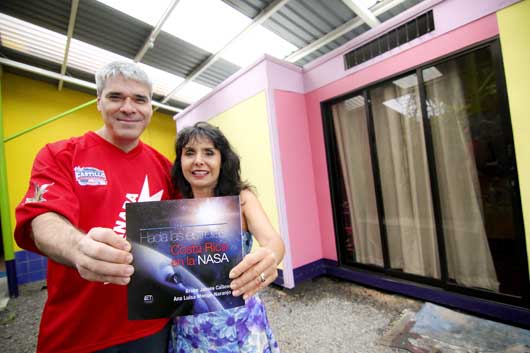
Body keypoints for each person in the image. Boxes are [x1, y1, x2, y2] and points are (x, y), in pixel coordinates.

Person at [14, 61, 175, 353]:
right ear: (99, 102)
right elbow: (42, 219)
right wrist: (78, 248)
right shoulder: (60, 155)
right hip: (77, 333)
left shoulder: (164, 166)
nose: (129, 107)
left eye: (140, 99)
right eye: (116, 97)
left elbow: (199, 218)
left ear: (151, 107)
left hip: (151, 327)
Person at [169, 121, 284, 352]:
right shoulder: (174, 208)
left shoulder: (241, 199)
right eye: (189, 153)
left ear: (222, 160)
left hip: (237, 323)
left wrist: (267, 260)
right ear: (180, 161)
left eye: (209, 153)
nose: (198, 160)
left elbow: (274, 242)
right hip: (188, 325)